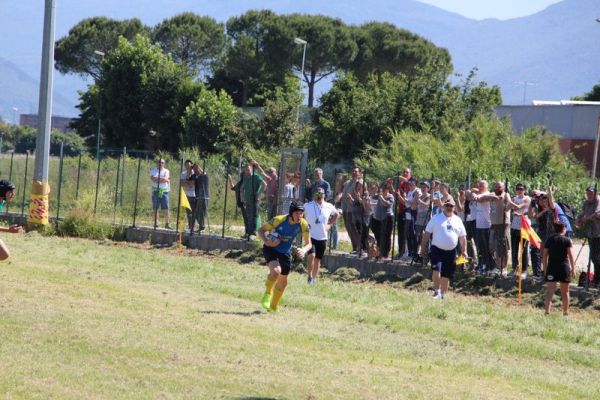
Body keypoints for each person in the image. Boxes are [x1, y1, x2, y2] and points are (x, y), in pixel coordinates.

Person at [258, 201, 311, 312]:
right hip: (271, 249)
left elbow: (309, 243)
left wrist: (303, 250)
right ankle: (267, 294)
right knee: (276, 271)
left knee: (283, 283)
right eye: (297, 213)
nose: (300, 216)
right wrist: (267, 241)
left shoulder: (303, 224)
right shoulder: (279, 220)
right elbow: (261, 230)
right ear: (291, 213)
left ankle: (273, 307)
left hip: (285, 252)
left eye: (301, 213)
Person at [419, 198, 468, 300]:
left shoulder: (457, 220)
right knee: (436, 270)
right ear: (444, 206)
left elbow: (463, 237)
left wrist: (464, 251)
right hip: (437, 249)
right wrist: (423, 248)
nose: (449, 208)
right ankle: (436, 292)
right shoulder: (436, 218)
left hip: (451, 251)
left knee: (446, 274)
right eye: (447, 206)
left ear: (454, 208)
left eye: (451, 206)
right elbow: (427, 234)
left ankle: (443, 296)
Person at [304, 187, 339, 284]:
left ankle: (313, 279)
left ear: (324, 195)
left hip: (323, 237)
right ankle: (309, 276)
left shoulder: (328, 206)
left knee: (317, 259)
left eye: (321, 194)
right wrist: (303, 226)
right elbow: (300, 215)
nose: (319, 196)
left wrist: (330, 224)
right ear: (314, 195)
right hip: (311, 236)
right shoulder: (308, 205)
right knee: (312, 255)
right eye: (317, 193)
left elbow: (336, 214)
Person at [542, 222, 575, 315]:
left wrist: (545, 269)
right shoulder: (567, 240)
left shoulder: (549, 240)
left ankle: (547, 311)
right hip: (564, 268)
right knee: (565, 292)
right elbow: (571, 256)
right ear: (563, 229)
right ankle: (565, 312)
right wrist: (573, 268)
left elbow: (544, 256)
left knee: (549, 292)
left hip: (552, 268)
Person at [575, 185, 600, 287]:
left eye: (591, 193)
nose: (589, 195)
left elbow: (598, 214)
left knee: (596, 258)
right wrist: (578, 219)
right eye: (588, 193)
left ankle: (597, 280)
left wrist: (587, 218)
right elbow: (582, 213)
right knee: (593, 257)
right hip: (591, 233)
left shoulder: (598, 201)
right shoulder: (586, 203)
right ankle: (595, 279)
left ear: (595, 193)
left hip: (598, 234)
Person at [509, 183, 532, 278]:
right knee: (514, 249)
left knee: (524, 250)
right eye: (518, 189)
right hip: (514, 226)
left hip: (524, 227)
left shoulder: (527, 199)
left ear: (524, 190)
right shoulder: (514, 199)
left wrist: (510, 201)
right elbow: (508, 208)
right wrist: (508, 203)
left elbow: (519, 207)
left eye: (521, 189)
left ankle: (524, 270)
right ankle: (514, 268)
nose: (519, 190)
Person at [340, 166, 363, 253]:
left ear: (359, 173)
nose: (354, 173)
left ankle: (359, 247)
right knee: (349, 228)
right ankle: (354, 247)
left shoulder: (360, 183)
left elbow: (360, 194)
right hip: (345, 208)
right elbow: (340, 191)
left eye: (356, 171)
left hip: (353, 209)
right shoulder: (348, 182)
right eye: (353, 171)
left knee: (354, 229)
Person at [0, 180, 24, 260]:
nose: (13, 194)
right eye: (10, 192)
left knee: (3, 254)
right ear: (2, 191)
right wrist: (9, 230)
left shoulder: (1, 202)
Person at [370, 182, 395, 260]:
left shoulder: (390, 196)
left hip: (387, 218)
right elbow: (371, 200)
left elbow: (386, 204)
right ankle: (379, 251)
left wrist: (381, 197)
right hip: (378, 219)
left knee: (386, 236)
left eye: (385, 189)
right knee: (378, 236)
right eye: (382, 188)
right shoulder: (377, 196)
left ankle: (385, 253)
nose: (383, 190)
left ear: (387, 190)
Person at [347, 181, 371, 258]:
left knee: (363, 233)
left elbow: (364, 204)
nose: (358, 187)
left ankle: (364, 249)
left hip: (363, 217)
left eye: (360, 186)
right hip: (356, 217)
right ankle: (359, 249)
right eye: (357, 185)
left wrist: (358, 197)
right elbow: (355, 203)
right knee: (358, 233)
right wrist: (351, 199)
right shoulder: (356, 193)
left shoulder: (366, 194)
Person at [242, 162, 263, 239]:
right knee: (248, 216)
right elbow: (243, 189)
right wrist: (243, 199)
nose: (247, 171)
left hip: (254, 200)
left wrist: (258, 193)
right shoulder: (246, 178)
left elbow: (264, 184)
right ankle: (248, 232)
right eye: (246, 170)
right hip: (248, 200)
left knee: (254, 216)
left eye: (248, 169)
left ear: (251, 169)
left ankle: (254, 233)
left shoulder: (256, 176)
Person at [188, 163, 210, 233]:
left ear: (199, 168)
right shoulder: (194, 176)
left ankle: (202, 227)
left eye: (196, 168)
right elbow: (188, 180)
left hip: (204, 196)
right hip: (197, 196)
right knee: (196, 212)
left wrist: (200, 169)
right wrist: (190, 170)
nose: (195, 169)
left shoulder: (203, 176)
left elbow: (204, 174)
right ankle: (201, 226)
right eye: (194, 168)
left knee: (201, 212)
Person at [150, 158, 170, 229]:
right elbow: (153, 179)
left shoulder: (166, 171)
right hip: (155, 191)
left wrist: (158, 179)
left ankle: (167, 223)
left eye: (162, 163)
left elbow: (165, 179)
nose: (160, 164)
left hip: (164, 191)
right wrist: (163, 179)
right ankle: (156, 222)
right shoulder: (153, 170)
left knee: (166, 208)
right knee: (156, 207)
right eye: (159, 162)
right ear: (157, 163)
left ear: (164, 164)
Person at [227, 172, 248, 237]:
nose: (242, 177)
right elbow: (233, 188)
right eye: (242, 175)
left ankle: (249, 234)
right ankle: (247, 234)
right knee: (245, 219)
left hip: (247, 203)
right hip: (242, 203)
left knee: (248, 219)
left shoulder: (248, 183)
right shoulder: (240, 183)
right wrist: (230, 179)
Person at [180, 160, 197, 233]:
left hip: (193, 195)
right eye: (186, 165)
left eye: (189, 165)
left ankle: (193, 226)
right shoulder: (183, 173)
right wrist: (188, 183)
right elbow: (182, 183)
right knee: (188, 212)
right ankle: (190, 226)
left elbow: (193, 184)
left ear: (192, 165)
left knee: (193, 212)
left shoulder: (195, 173)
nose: (188, 166)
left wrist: (187, 183)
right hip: (186, 195)